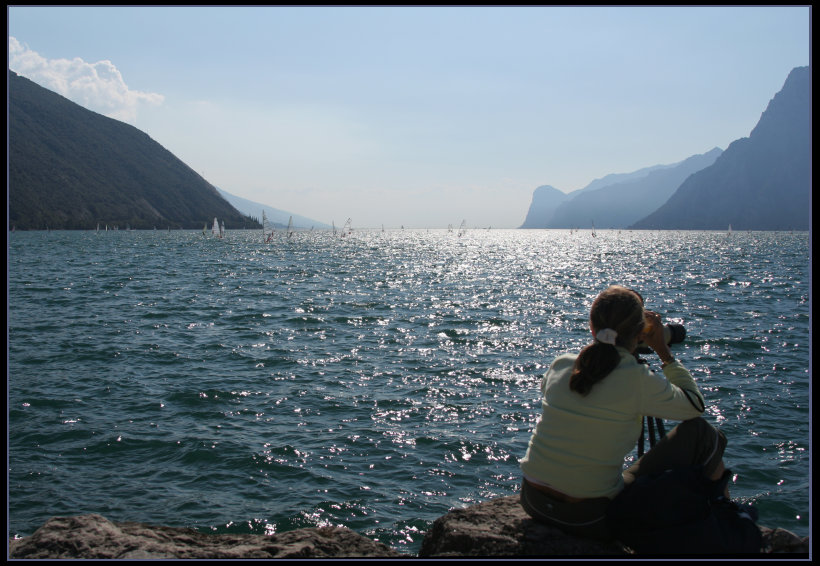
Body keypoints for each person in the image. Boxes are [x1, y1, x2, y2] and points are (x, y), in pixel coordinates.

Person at [519, 285, 727, 541]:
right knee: (705, 434)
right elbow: (694, 404)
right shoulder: (637, 380)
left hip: (532, 500)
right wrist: (664, 351)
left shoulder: (561, 364)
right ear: (640, 333)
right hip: (590, 518)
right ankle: (724, 523)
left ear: (591, 327)